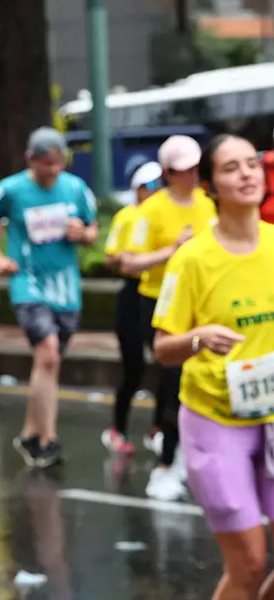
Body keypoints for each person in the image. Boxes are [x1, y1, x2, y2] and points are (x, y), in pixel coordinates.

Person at [153, 134, 274, 599]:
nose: (246, 174)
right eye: (231, 168)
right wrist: (199, 339)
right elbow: (163, 349)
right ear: (209, 185)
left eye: (252, 164)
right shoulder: (191, 260)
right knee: (248, 563)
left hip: (272, 419)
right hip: (216, 422)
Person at [0, 127, 98, 468]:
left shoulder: (76, 189)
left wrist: (83, 234)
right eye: (47, 164)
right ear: (31, 160)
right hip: (27, 284)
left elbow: (92, 231)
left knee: (49, 363)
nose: (54, 170)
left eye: (59, 163)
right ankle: (48, 441)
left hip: (67, 289)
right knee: (47, 354)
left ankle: (31, 433)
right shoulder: (11, 190)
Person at [120, 134, 217, 500]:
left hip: (201, 305)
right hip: (159, 304)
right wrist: (170, 251)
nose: (190, 175)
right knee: (173, 378)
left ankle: (186, 453)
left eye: (195, 168)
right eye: (182, 170)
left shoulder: (209, 206)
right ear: (167, 172)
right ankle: (165, 463)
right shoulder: (152, 210)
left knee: (190, 382)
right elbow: (129, 261)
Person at [101, 158, 164, 455]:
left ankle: (159, 429)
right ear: (137, 189)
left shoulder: (166, 214)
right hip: (132, 294)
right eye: (149, 186)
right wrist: (130, 257)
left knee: (168, 366)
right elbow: (111, 257)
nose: (155, 191)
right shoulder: (127, 216)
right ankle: (118, 429)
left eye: (159, 184)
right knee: (134, 369)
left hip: (161, 295)